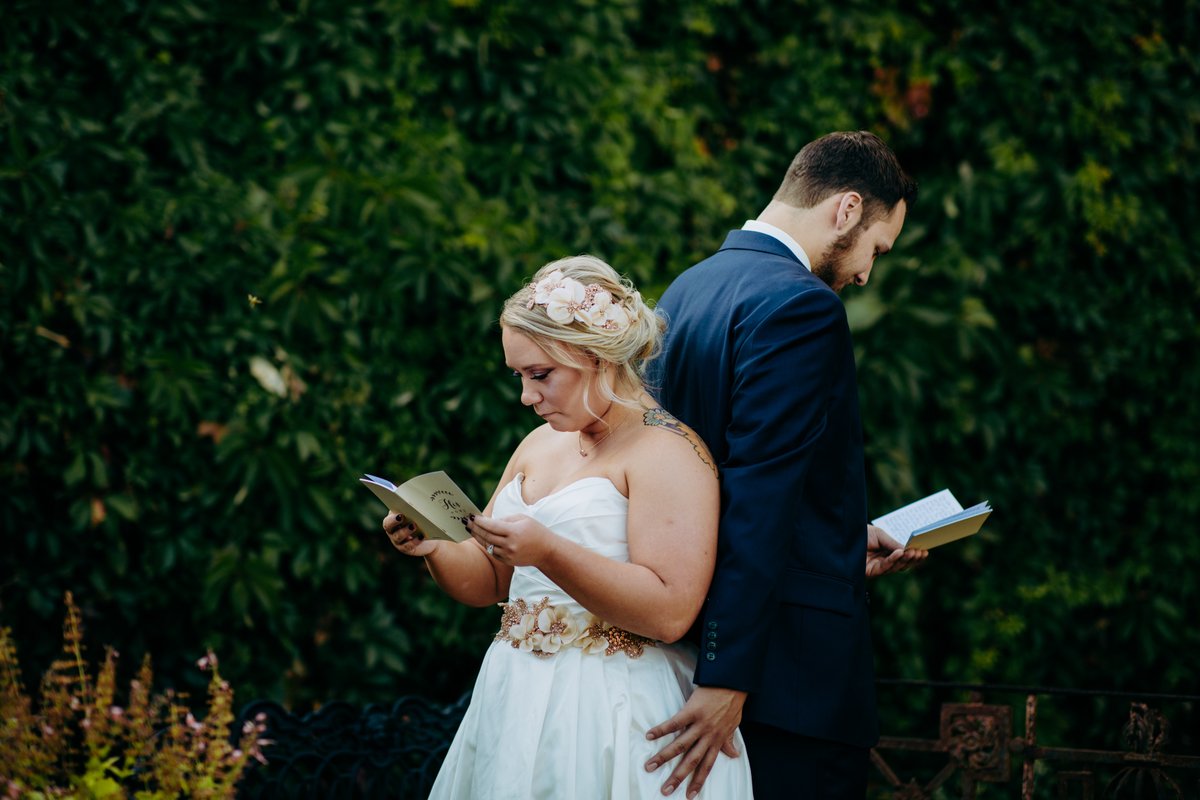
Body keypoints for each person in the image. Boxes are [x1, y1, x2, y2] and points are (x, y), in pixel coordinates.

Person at [383, 255, 755, 798]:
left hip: (612, 706)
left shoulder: (669, 451)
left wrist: (550, 552)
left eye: (540, 376)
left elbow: (671, 612)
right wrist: (434, 546)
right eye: (519, 376)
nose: (526, 396)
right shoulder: (539, 444)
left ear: (596, 356)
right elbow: (491, 582)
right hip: (514, 697)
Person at [643, 130, 924, 799]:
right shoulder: (803, 306)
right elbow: (757, 497)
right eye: (877, 248)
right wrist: (727, 676)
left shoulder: (686, 289)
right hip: (780, 683)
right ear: (847, 209)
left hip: (683, 651)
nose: (866, 274)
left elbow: (698, 483)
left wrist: (836, 544)